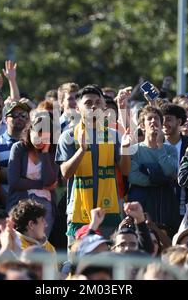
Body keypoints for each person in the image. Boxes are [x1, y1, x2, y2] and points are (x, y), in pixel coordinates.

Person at [55, 85, 131, 244]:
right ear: (77, 108)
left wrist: (125, 149)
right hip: (79, 211)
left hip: (108, 210)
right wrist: (82, 150)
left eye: (98, 102)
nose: (94, 106)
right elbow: (65, 173)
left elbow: (125, 170)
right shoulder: (68, 136)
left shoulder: (114, 135)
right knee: (78, 263)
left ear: (104, 107)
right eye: (88, 103)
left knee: (109, 259)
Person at [6, 111, 59, 237]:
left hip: (45, 204)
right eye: (37, 132)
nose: (40, 137)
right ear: (30, 131)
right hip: (20, 201)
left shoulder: (52, 152)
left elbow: (50, 181)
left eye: (44, 134)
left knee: (40, 242)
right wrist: (41, 186)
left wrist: (45, 153)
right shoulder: (18, 148)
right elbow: (14, 181)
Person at [128, 105, 179, 232]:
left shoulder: (170, 149)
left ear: (162, 125)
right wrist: (161, 180)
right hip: (141, 201)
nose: (153, 121)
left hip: (165, 202)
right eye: (149, 119)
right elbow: (133, 177)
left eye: (156, 118)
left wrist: (160, 146)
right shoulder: (135, 150)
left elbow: (170, 171)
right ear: (141, 126)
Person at [161, 103, 188, 220]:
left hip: (185, 207)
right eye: (162, 119)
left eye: (168, 119)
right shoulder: (155, 144)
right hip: (160, 204)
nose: (164, 123)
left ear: (179, 122)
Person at [0, 101, 30, 195]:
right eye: (15, 115)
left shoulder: (33, 145)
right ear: (5, 119)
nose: (20, 118)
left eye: (23, 115)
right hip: (3, 200)